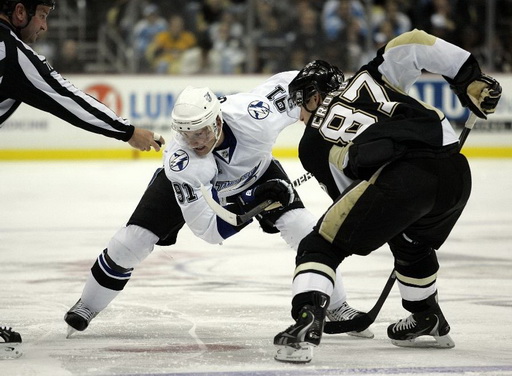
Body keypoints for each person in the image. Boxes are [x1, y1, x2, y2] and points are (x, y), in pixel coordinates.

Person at [63, 73, 374, 341]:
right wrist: (254, 203)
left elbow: (296, 88)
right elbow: (209, 231)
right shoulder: (183, 163)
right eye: (186, 133)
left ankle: (337, 306)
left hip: (258, 173)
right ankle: (88, 304)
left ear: (218, 120)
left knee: (305, 229)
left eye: (200, 131)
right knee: (130, 242)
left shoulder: (256, 117)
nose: (194, 140)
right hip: (203, 190)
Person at [273, 29, 501, 363]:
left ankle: (306, 320)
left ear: (313, 95)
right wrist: (468, 78)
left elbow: (350, 198)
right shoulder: (374, 73)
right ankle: (427, 316)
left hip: (403, 181)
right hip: (454, 174)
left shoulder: (310, 144)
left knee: (320, 244)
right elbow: (414, 41)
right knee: (411, 240)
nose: (299, 114)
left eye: (299, 102)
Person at [0, 0, 164, 358]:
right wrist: (127, 131)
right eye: (41, 15)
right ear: (19, 12)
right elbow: (64, 96)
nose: (43, 27)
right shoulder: (11, 52)